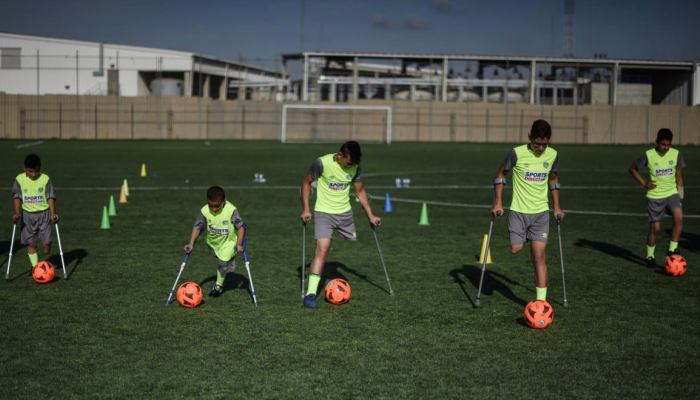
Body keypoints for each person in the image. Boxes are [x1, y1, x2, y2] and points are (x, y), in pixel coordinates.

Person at [300, 140, 381, 308]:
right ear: (339, 156)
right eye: (349, 162)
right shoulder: (322, 163)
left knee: (353, 244)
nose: (350, 165)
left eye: (354, 163)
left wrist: (371, 215)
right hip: (323, 212)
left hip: (345, 214)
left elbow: (360, 191)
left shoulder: (355, 167)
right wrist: (306, 209)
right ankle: (310, 294)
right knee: (323, 248)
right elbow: (306, 182)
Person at [490, 120, 564, 303]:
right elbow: (500, 175)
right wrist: (498, 203)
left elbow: (553, 180)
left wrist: (557, 207)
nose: (540, 148)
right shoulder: (516, 154)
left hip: (541, 213)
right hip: (518, 212)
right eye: (537, 143)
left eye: (544, 144)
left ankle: (541, 302)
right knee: (516, 249)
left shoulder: (553, 155)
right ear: (529, 137)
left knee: (538, 256)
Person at [629, 128, 685, 268]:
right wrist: (644, 183)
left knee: (679, 217)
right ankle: (650, 256)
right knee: (656, 228)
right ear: (657, 142)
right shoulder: (649, 155)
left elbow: (678, 174)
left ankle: (672, 249)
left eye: (668, 144)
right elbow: (632, 168)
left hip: (671, 193)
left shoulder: (676, 154)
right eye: (662, 144)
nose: (665, 148)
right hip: (655, 196)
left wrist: (680, 189)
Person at [184, 186, 246, 297]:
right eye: (210, 206)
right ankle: (225, 269)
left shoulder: (231, 210)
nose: (213, 209)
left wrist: (239, 244)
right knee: (221, 261)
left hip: (229, 242)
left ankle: (219, 285)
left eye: (217, 206)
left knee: (223, 262)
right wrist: (191, 243)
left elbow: (241, 227)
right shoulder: (204, 211)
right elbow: (197, 226)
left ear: (224, 200)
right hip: (213, 242)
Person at [12, 154, 59, 268]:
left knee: (46, 243)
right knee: (31, 243)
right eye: (30, 171)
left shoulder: (45, 179)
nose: (34, 174)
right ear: (24, 168)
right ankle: (36, 268)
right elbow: (17, 197)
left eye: (36, 171)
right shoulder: (19, 179)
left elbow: (50, 197)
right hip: (27, 216)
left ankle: (47, 249)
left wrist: (53, 213)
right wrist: (17, 213)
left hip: (44, 214)